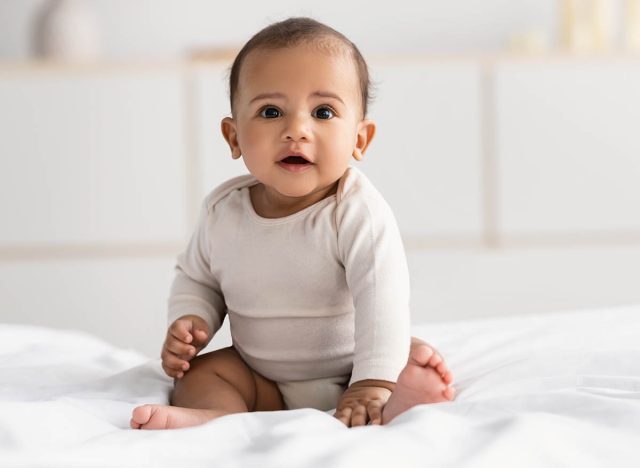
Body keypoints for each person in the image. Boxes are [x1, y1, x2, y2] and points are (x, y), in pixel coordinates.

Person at [130, 17, 454, 430]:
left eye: (323, 112)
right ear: (233, 137)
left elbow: (382, 301)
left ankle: (388, 393)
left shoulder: (355, 212)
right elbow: (198, 278)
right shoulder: (223, 212)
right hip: (262, 377)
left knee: (403, 366)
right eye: (270, 111)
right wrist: (192, 320)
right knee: (198, 375)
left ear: (360, 139)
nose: (296, 130)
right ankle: (217, 417)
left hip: (349, 367)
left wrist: (371, 381)